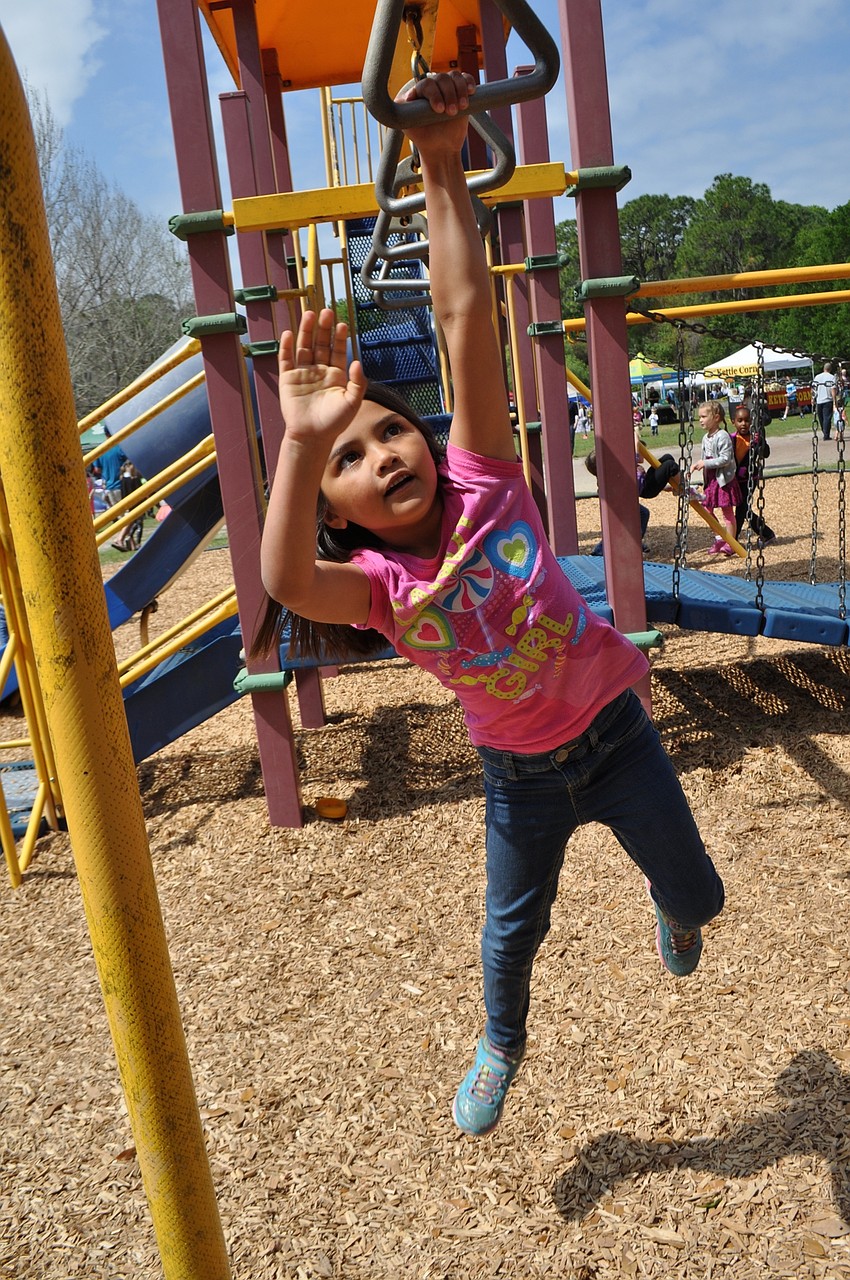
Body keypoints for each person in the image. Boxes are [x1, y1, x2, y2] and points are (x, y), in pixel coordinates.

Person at [253, 72, 724, 1139]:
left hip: (618, 736)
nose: (382, 453)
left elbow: (464, 313)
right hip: (520, 776)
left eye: (387, 432)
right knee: (511, 932)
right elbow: (283, 583)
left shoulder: (486, 476)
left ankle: (675, 907)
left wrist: (440, 159)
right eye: (349, 457)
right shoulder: (376, 588)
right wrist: (295, 435)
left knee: (703, 898)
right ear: (336, 507)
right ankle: (501, 1039)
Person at [584, 431, 680, 555]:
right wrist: (633, 434)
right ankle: (603, 550)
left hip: (635, 492)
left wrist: (663, 486)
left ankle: (634, 541)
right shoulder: (623, 469)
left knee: (642, 513)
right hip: (631, 498)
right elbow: (634, 449)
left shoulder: (614, 472)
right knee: (670, 465)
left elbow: (639, 482)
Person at [690, 400, 741, 556]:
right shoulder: (706, 438)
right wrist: (696, 467)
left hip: (723, 480)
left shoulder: (723, 436)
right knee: (707, 509)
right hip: (711, 479)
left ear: (716, 417)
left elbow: (725, 459)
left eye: (704, 416)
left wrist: (705, 463)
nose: (701, 420)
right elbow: (703, 458)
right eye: (699, 417)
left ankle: (731, 543)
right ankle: (720, 537)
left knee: (727, 512)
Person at [731, 404, 775, 546]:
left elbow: (765, 454)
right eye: (740, 420)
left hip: (749, 478)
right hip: (736, 479)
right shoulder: (732, 439)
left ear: (752, 422)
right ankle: (767, 533)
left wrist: (761, 442)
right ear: (734, 422)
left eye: (747, 420)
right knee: (743, 509)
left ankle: (733, 541)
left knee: (741, 509)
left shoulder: (754, 438)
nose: (744, 424)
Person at [813, 361, 838, 442]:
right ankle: (826, 435)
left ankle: (825, 432)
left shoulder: (817, 377)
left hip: (819, 400)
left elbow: (813, 388)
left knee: (821, 418)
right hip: (828, 399)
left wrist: (813, 398)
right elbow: (833, 389)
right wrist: (834, 401)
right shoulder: (831, 377)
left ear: (823, 368)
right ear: (830, 369)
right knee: (827, 417)